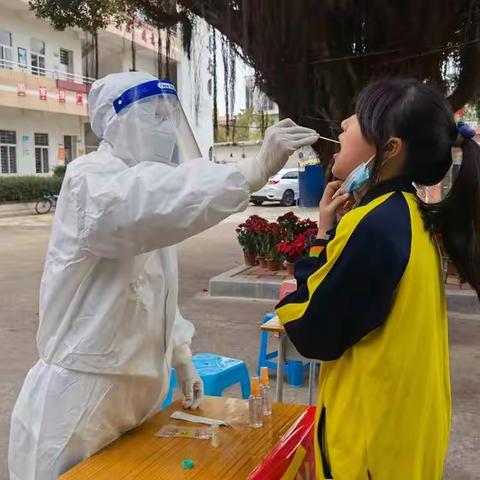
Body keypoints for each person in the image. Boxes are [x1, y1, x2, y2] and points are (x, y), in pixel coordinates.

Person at [8, 71, 319, 480]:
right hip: (80, 402)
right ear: (116, 122)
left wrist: (181, 357)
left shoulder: (151, 197)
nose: (165, 129)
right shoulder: (92, 180)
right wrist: (250, 170)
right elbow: (143, 204)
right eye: (153, 116)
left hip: (136, 399)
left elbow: (155, 297)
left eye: (168, 116)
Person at [276, 77, 480, 479]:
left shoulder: (373, 224)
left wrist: (319, 240)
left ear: (389, 148)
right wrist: (331, 228)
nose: (343, 124)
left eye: (358, 118)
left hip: (372, 451)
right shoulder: (407, 213)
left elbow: (310, 328)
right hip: (405, 437)